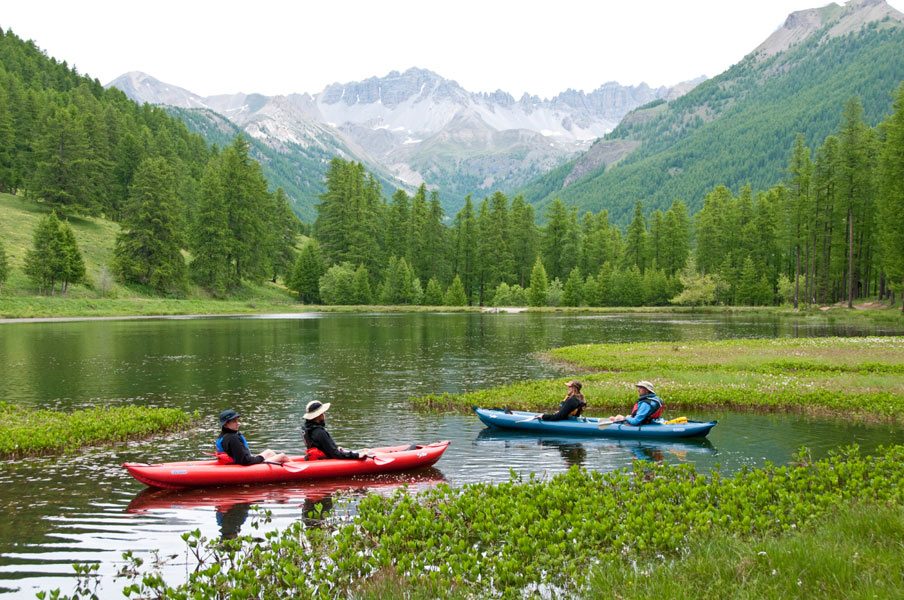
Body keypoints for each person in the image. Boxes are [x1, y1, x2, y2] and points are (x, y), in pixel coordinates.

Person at [215, 409, 290, 465]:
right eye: (234, 421)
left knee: (269, 452)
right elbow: (245, 461)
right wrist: (261, 458)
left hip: (237, 463)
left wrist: (258, 457)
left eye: (237, 421)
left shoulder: (223, 436)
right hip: (244, 466)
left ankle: (285, 468)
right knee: (282, 456)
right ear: (225, 425)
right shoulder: (232, 438)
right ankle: (298, 471)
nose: (238, 424)